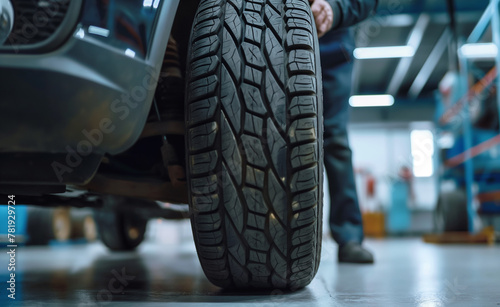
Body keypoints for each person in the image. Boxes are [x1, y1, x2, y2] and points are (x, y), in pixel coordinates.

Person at [309, 0, 378, 263]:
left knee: (334, 138)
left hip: (332, 47)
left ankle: (349, 237)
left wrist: (333, 9)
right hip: (268, 37)